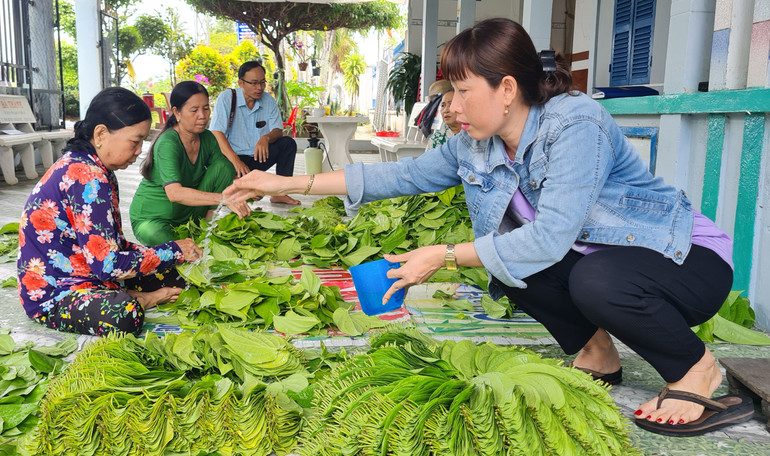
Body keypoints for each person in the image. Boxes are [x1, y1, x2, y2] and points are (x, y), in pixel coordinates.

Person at [223, 18, 751, 437]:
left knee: (577, 273)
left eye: (459, 91)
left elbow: (550, 237)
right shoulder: (477, 142)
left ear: (506, 87)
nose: (449, 108)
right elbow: (398, 175)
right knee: (508, 265)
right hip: (607, 262)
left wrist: (446, 255)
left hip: (681, 260)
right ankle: (598, 352)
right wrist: (280, 185)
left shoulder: (575, 124)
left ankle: (695, 370)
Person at [17, 87, 203, 336]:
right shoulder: (87, 177)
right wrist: (173, 250)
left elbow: (112, 247)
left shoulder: (97, 169)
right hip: (56, 293)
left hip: (92, 276)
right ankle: (140, 299)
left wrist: (174, 254)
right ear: (101, 133)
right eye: (135, 141)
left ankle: (132, 294)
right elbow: (108, 265)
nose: (139, 151)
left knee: (176, 276)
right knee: (125, 314)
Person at [130, 81, 251, 245]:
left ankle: (205, 228)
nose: (202, 115)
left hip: (190, 213)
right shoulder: (168, 143)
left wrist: (248, 189)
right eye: (194, 110)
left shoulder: (208, 138)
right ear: (177, 112)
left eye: (206, 108)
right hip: (155, 219)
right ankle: (184, 241)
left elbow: (225, 175)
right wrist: (225, 199)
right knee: (165, 241)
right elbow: (175, 194)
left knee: (224, 166)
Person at [210, 61, 300, 205]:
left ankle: (280, 194)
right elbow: (216, 132)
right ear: (241, 83)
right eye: (253, 83)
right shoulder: (227, 98)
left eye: (262, 82)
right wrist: (236, 161)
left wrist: (266, 138)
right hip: (233, 161)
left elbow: (278, 130)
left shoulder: (268, 100)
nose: (259, 87)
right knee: (241, 190)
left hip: (258, 157)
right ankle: (240, 185)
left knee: (288, 144)